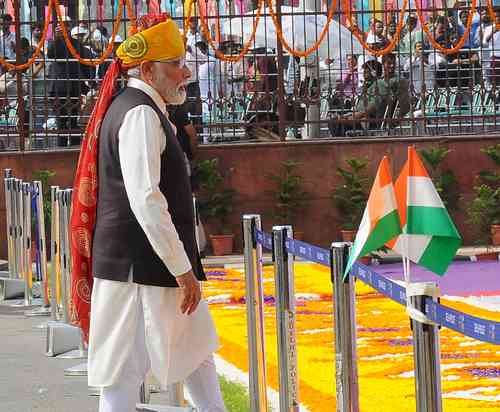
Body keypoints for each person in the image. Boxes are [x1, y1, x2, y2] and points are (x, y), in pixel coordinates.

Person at [70, 13, 225, 412]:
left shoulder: (140, 107)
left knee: (192, 358)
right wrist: (182, 268)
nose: (184, 72)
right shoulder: (139, 113)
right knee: (124, 377)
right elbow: (145, 198)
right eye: (175, 64)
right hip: (142, 270)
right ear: (148, 69)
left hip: (142, 267)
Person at [47, 16, 94, 145]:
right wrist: (57, 38)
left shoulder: (76, 43)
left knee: (73, 119)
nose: (65, 27)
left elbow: (83, 63)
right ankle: (61, 148)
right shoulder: (54, 41)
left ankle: (74, 146)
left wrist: (89, 81)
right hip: (58, 88)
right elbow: (50, 54)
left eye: (67, 25)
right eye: (62, 25)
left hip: (73, 86)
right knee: (61, 120)